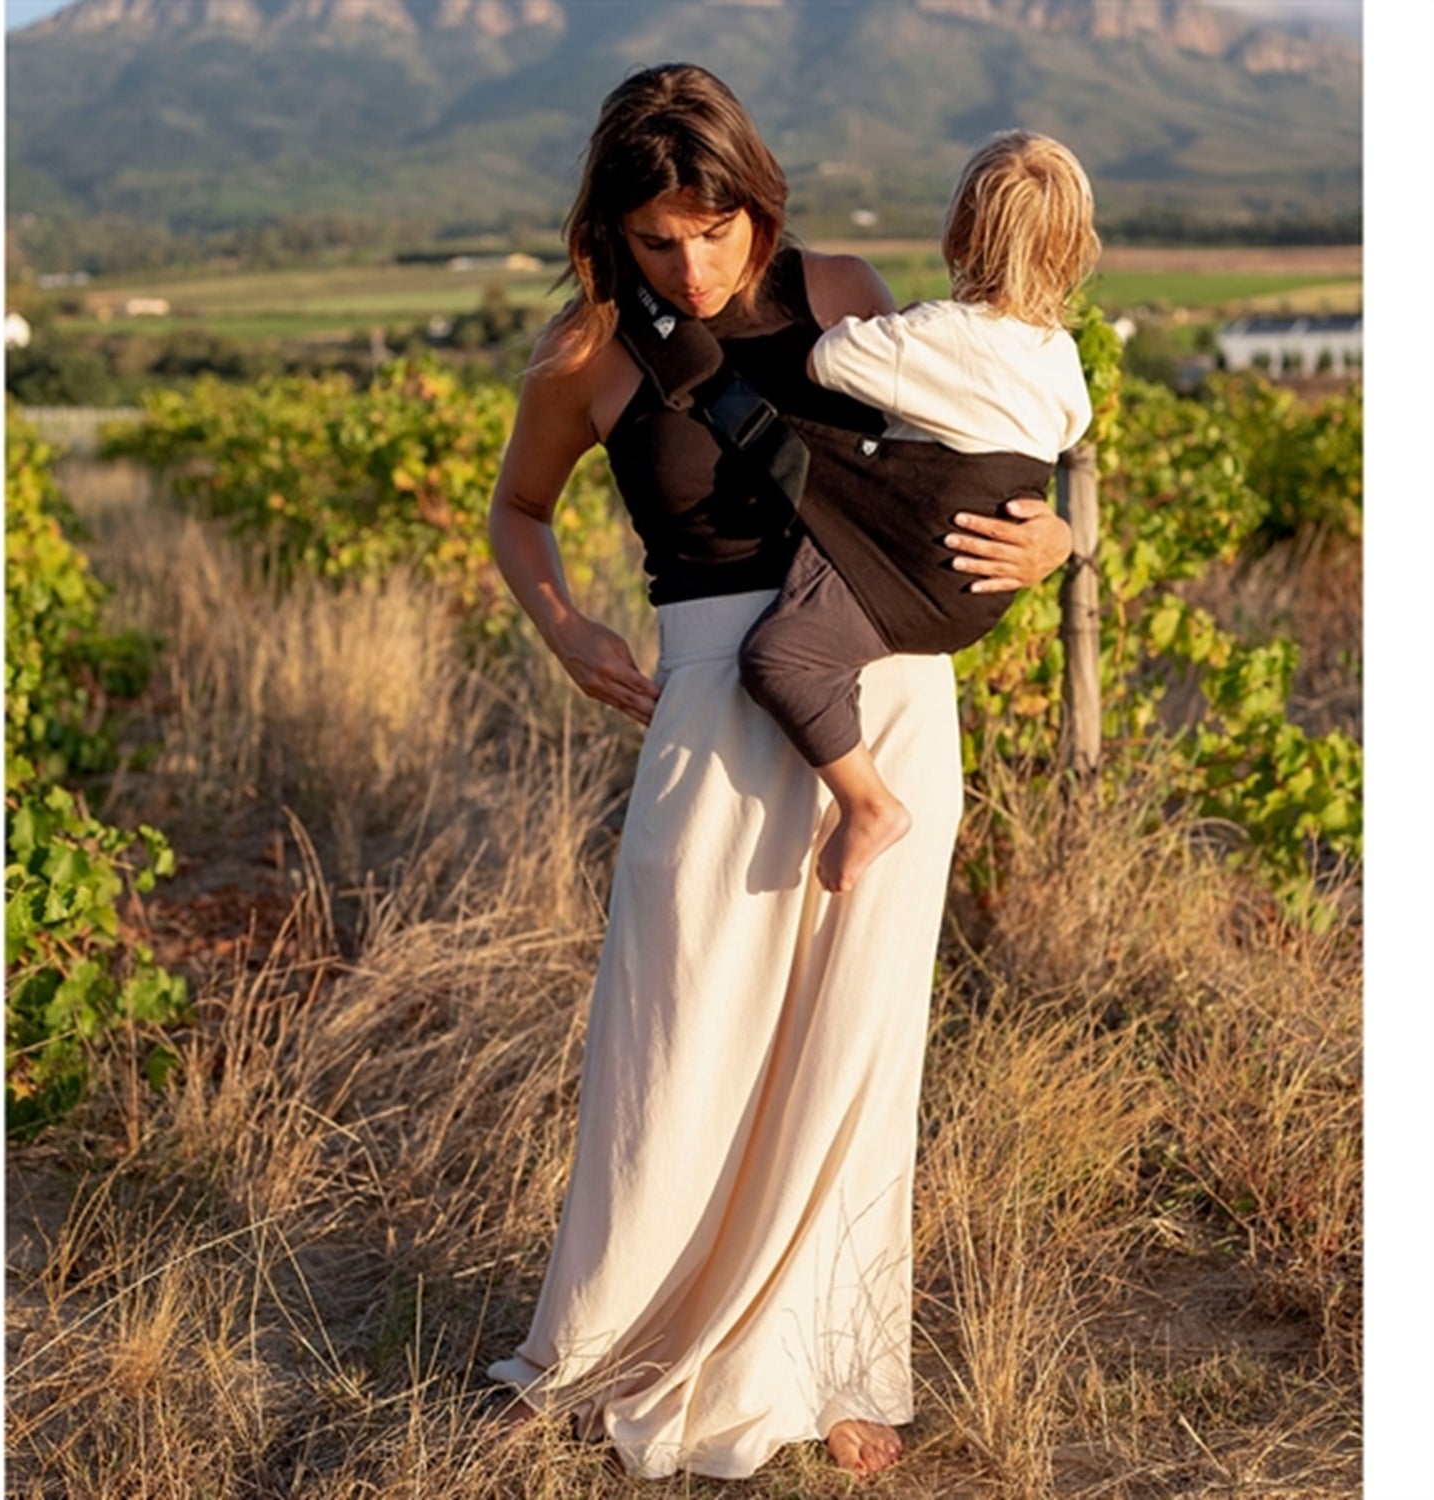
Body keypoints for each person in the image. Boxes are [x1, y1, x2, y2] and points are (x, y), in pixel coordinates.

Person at [481, 62, 1073, 1482]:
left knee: (857, 1045)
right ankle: (604, 1347)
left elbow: (981, 437)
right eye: (655, 241)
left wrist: (1062, 541)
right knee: (679, 1035)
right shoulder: (589, 353)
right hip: (712, 708)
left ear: (760, 199)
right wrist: (566, 628)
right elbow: (519, 510)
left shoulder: (846, 292)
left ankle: (833, 1360)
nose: (690, 267)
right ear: (610, 231)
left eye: (715, 229)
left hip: (889, 699)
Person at [736, 129, 1098, 895]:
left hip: (906, 566)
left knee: (782, 658)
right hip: (976, 595)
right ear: (1073, 251)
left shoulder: (935, 336)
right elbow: (1069, 429)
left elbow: (828, 361)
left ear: (959, 233)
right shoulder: (1060, 356)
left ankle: (867, 803)